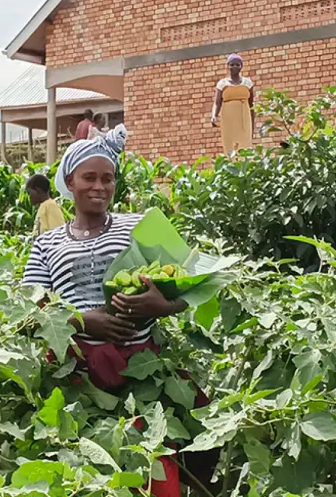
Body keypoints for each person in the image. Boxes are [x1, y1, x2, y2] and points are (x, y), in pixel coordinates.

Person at [22, 126, 217, 497]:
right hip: (78, 373)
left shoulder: (136, 226)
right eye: (89, 178)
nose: (99, 186)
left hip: (143, 368)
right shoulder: (46, 244)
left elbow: (193, 278)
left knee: (165, 457)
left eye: (108, 179)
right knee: (95, 472)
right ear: (69, 181)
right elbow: (29, 309)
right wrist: (81, 320)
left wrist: (163, 306)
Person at [210, 53, 255, 154]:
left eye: (237, 65)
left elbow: (251, 104)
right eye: (232, 64)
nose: (235, 67)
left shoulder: (247, 83)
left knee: (244, 145)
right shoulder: (222, 84)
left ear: (241, 67)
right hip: (228, 118)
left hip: (244, 119)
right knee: (230, 145)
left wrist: (253, 123)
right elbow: (217, 103)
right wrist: (214, 116)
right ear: (228, 66)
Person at [27, 173, 65, 237]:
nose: (29, 196)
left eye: (29, 193)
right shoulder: (43, 206)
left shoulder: (51, 206)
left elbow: (58, 233)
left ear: (37, 190)